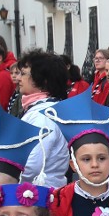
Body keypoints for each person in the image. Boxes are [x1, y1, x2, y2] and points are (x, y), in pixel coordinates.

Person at [17, 50, 70, 188]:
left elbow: (32, 165)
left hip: (40, 195)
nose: (18, 79)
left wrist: (2, 174)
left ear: (43, 80)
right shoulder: (43, 109)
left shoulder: (43, 115)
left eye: (23, 74)